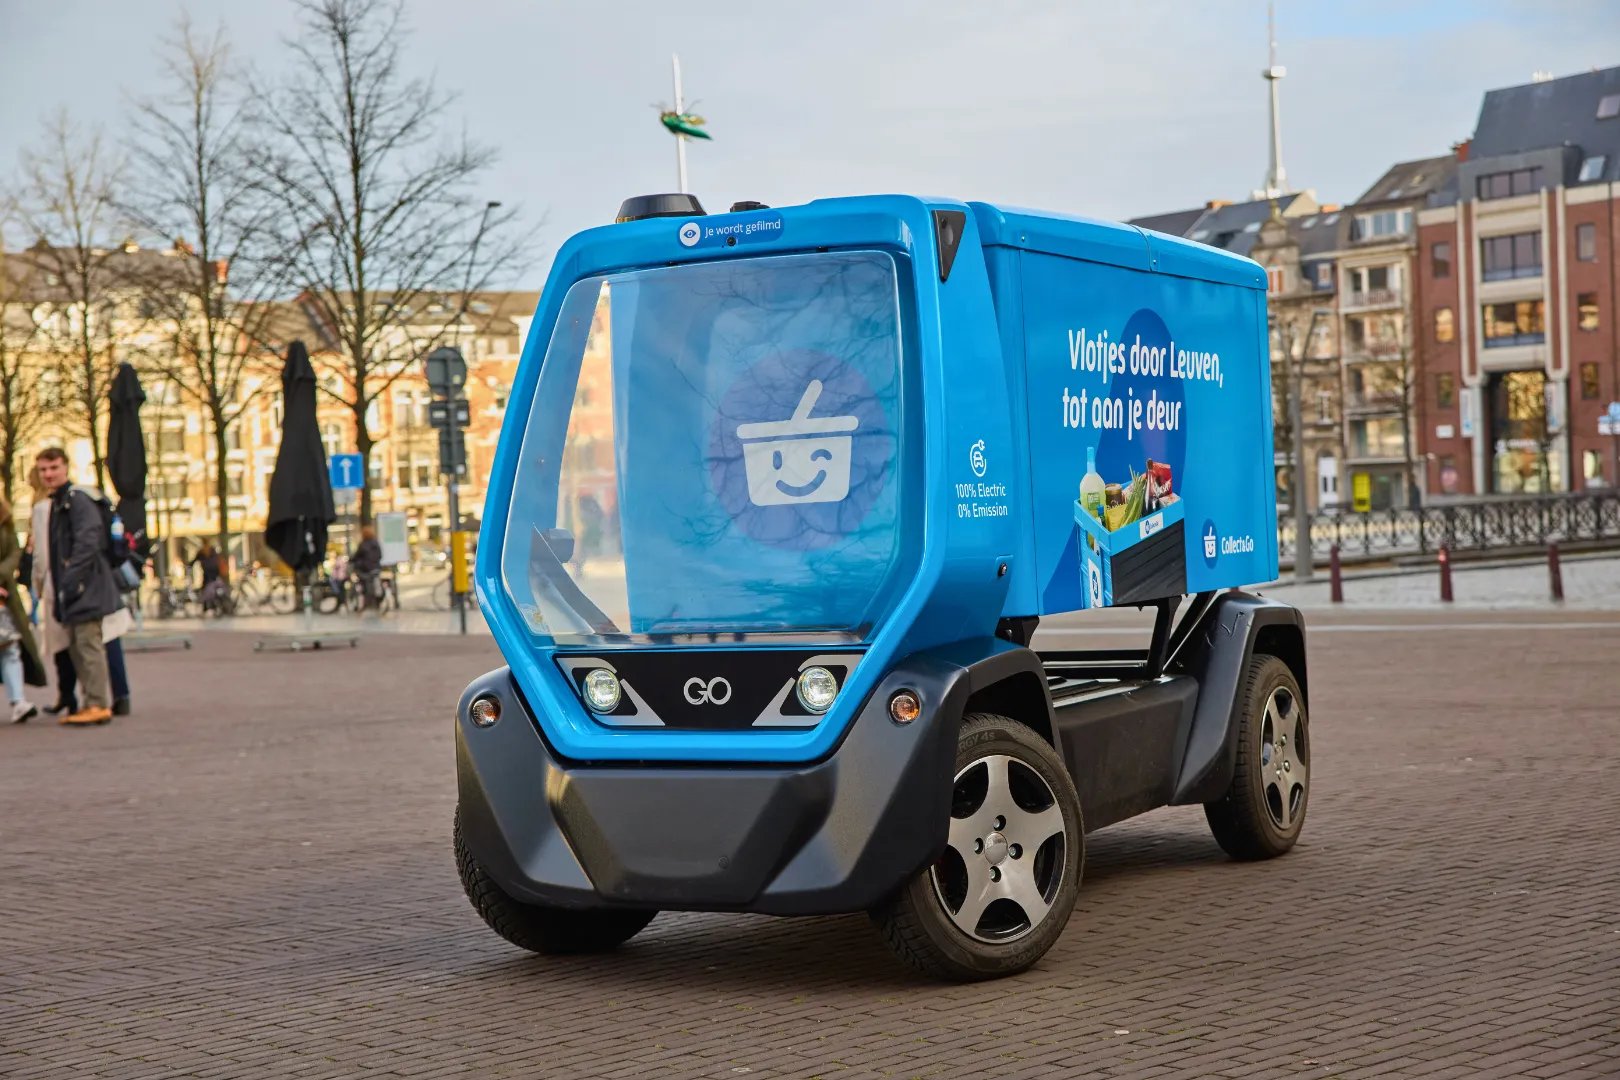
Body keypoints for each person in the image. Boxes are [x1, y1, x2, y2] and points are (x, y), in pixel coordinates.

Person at [28, 462, 133, 718]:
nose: (49, 474)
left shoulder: (73, 501)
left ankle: (97, 703)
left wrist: (70, 578)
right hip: (79, 583)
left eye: (53, 468)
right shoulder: (63, 501)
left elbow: (85, 541)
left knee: (88, 644)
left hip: (84, 584)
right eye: (43, 470)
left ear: (66, 467)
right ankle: (97, 701)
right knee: (83, 644)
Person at [0, 493, 46, 722]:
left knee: (10, 648)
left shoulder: (5, 521)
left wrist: (1, 576)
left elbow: (14, 553)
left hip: (5, 598)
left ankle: (18, 702)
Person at [191, 539, 229, 614]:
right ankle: (219, 604)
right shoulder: (212, 550)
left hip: (207, 573)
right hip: (215, 572)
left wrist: (189, 565)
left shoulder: (201, 551)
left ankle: (206, 606)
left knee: (205, 589)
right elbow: (217, 559)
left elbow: (194, 561)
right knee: (216, 587)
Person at [350, 526, 382, 611]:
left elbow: (356, 556)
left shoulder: (363, 544)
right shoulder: (376, 543)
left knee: (363, 582)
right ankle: (376, 601)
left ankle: (366, 600)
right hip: (376, 568)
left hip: (366, 570)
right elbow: (380, 555)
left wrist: (352, 561)